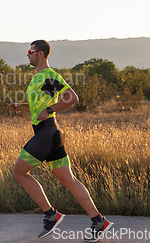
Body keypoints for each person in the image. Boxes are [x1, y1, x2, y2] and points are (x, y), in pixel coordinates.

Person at [8, 40, 113, 242]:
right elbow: (37, 107)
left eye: (30, 51)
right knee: (68, 180)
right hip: (51, 135)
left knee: (19, 172)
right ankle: (99, 222)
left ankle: (51, 215)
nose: (27, 55)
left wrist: (50, 110)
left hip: (47, 134)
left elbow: (72, 98)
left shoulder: (49, 75)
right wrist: (20, 106)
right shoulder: (38, 78)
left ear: (40, 53)